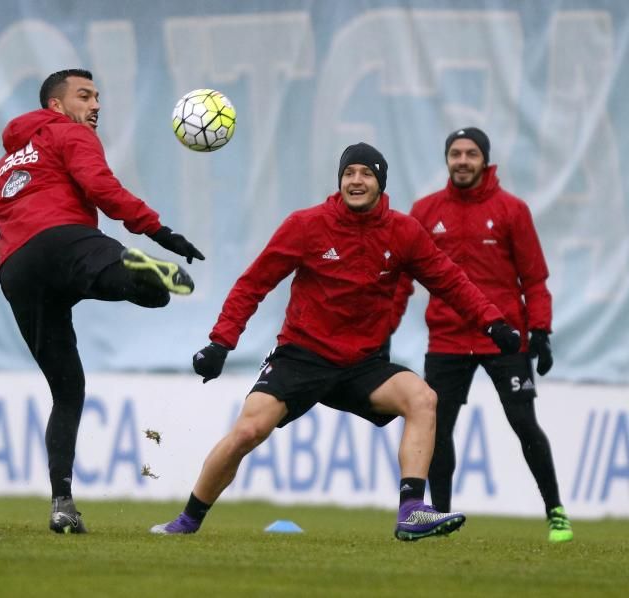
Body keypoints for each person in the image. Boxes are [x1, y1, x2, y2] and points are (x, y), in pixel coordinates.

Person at [151, 142, 522, 541]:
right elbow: (253, 284)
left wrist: (492, 324)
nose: (356, 181)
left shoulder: (403, 231)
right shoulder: (307, 225)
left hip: (363, 364)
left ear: (380, 182)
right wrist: (220, 343)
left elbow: (450, 281)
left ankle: (412, 510)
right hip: (302, 356)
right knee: (248, 432)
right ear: (340, 180)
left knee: (422, 398)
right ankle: (187, 521)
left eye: (365, 173)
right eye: (349, 173)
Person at [0, 69, 204, 534]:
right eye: (85, 96)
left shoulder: (4, 170)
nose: (96, 104)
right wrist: (156, 229)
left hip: (18, 273)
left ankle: (62, 503)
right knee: (153, 293)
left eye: (98, 96)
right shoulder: (70, 135)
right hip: (65, 240)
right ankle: (135, 267)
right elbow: (101, 188)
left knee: (67, 389)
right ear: (55, 106)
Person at [391, 128, 572, 543]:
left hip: (505, 338)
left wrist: (541, 331)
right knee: (436, 429)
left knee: (524, 423)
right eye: (455, 153)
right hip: (448, 339)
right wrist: (386, 328)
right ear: (447, 159)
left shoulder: (512, 210)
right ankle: (437, 514)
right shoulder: (425, 210)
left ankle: (556, 511)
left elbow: (535, 278)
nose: (462, 160)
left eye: (471, 153)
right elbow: (401, 281)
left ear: (485, 160)